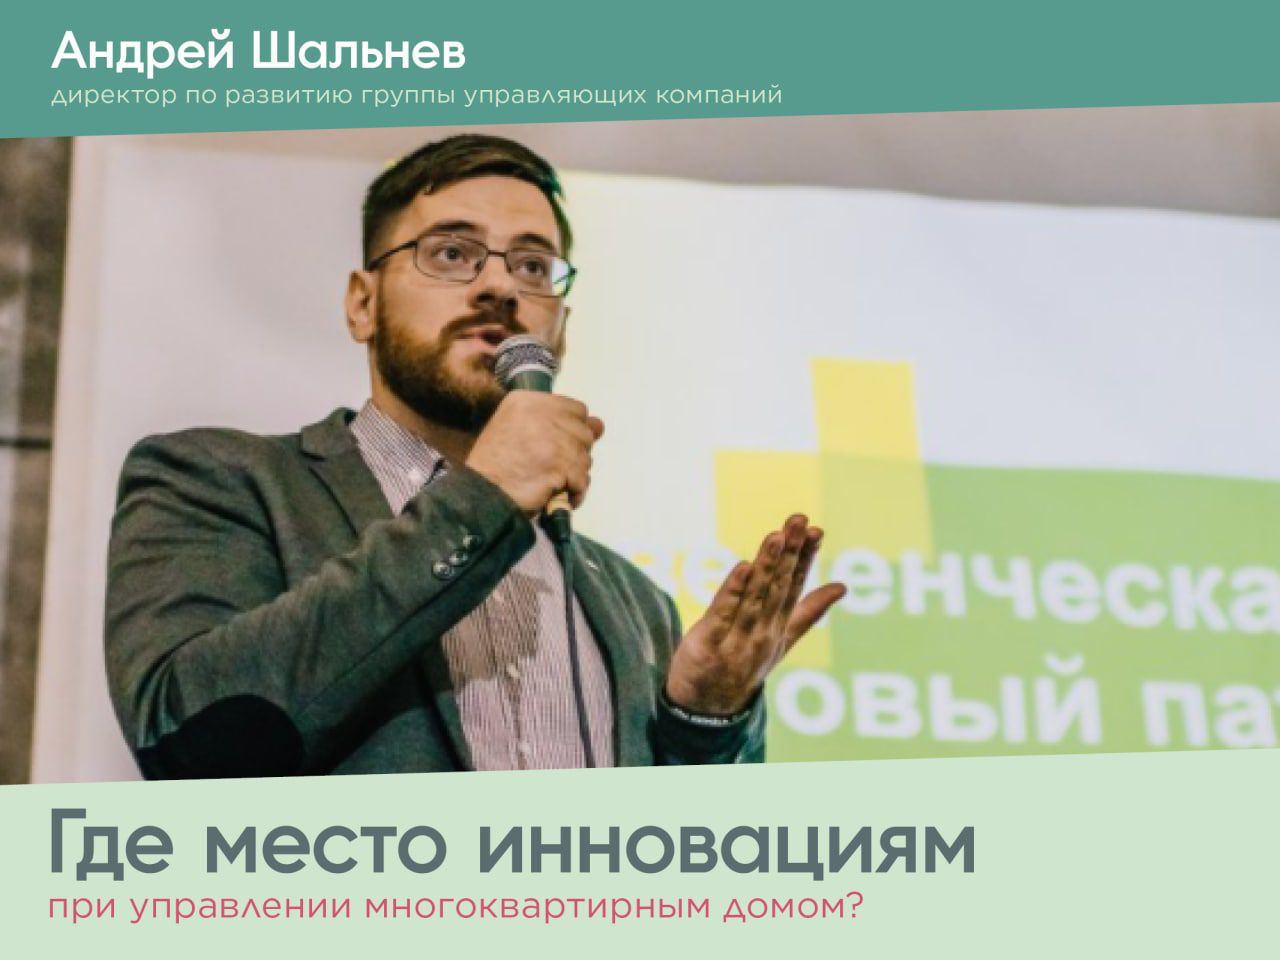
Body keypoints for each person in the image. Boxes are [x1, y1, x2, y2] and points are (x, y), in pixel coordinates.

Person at [104, 133, 846, 778]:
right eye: (452, 253)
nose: (499, 285)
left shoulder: (634, 601)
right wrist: (482, 497)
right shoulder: (220, 481)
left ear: (561, 328)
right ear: (363, 303)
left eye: (533, 267)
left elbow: (692, 857)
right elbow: (189, 744)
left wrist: (705, 718)